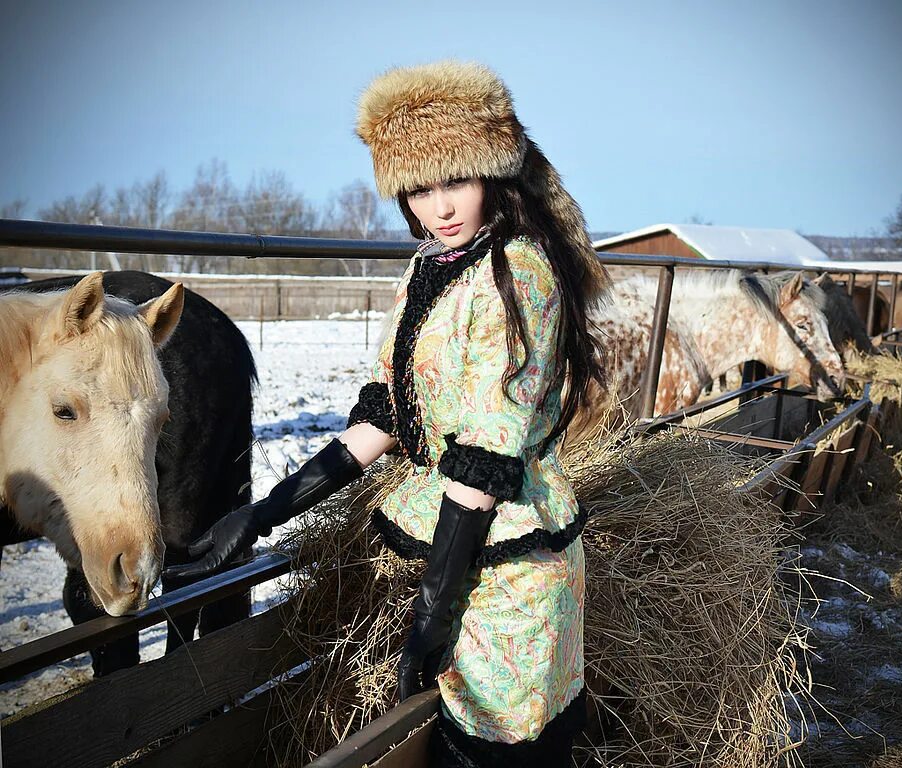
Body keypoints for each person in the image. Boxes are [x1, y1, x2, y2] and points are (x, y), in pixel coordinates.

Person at [165, 60, 608, 767]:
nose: (440, 207)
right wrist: (262, 514)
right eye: (418, 189)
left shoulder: (518, 271)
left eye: (455, 180)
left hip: (511, 568)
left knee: (495, 747)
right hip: (459, 555)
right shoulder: (429, 266)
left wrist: (431, 611)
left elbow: (488, 454)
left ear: (494, 173)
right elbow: (385, 416)